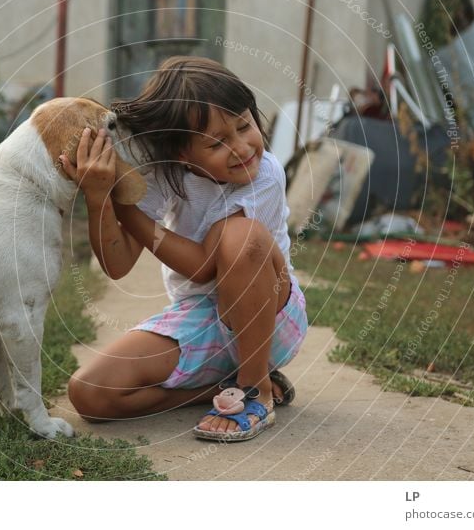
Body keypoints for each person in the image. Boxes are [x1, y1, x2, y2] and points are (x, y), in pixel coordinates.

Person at [60, 56, 308, 442]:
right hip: (201, 320)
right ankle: (215, 389)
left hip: (270, 316)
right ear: (182, 154)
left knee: (243, 237)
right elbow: (117, 263)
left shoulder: (265, 175)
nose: (243, 147)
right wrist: (99, 198)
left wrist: (124, 204)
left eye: (245, 126)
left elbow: (204, 267)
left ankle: (254, 388)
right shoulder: (165, 175)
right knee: (90, 394)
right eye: (217, 142)